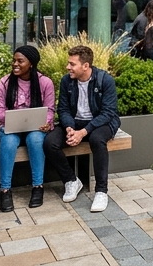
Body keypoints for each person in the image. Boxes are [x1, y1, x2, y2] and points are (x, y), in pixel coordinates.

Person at [44, 45, 120, 212]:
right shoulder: (67, 81)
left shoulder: (105, 80)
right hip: (75, 122)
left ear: (85, 66)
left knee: (97, 139)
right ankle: (71, 181)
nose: (68, 67)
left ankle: (101, 191)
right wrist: (70, 128)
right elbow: (63, 109)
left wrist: (83, 132)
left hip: (101, 123)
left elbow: (108, 113)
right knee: (50, 142)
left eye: (72, 64)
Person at [0, 45, 55, 211]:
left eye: (20, 61)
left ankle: (38, 187)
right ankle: (5, 190)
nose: (15, 64)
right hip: (10, 127)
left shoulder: (45, 83)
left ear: (31, 64)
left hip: (35, 128)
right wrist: (12, 118)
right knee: (8, 141)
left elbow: (50, 110)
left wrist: (46, 122)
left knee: (35, 139)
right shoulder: (5, 82)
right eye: (14, 60)